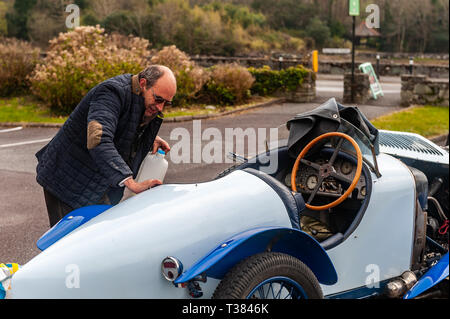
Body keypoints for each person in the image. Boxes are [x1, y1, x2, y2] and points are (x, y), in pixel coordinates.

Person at [35, 65, 176, 227]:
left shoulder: (138, 97)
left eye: (167, 103)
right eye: (158, 99)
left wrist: (148, 137)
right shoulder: (111, 93)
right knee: (69, 245)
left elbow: (124, 122)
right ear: (143, 83)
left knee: (98, 240)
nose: (160, 107)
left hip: (98, 183)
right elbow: (98, 138)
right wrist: (132, 183)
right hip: (67, 181)